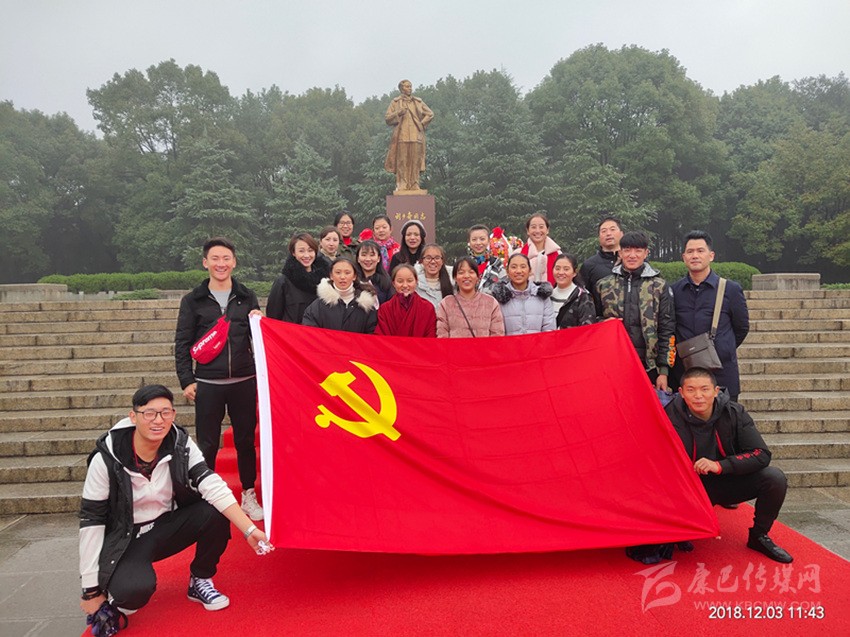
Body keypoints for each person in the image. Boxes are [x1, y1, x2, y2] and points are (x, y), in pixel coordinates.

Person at [79, 385, 273, 619]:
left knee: (216, 511)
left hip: (168, 525)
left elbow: (211, 483)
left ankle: (200, 578)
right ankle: (118, 588)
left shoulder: (180, 442)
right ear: (133, 416)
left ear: (173, 414)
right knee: (132, 592)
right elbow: (92, 520)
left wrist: (249, 529)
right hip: (127, 537)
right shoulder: (106, 459)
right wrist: (90, 591)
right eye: (149, 413)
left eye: (165, 412)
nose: (158, 420)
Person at [174, 237, 264, 521]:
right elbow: (182, 342)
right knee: (208, 443)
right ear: (205, 263)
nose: (221, 264)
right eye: (215, 258)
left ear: (234, 262)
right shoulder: (193, 300)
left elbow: (257, 339)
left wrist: (259, 320)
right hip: (208, 383)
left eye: (226, 258)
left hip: (243, 380)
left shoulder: (246, 296)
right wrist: (187, 379)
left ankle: (248, 493)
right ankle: (208, 495)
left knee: (245, 442)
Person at [665, 368, 793, 563]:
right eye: (691, 390)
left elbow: (761, 454)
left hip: (727, 480)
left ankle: (759, 536)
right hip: (687, 487)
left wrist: (720, 466)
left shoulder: (734, 413)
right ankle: (681, 527)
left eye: (704, 389)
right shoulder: (667, 416)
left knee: (774, 478)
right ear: (681, 393)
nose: (698, 396)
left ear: (716, 391)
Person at [671, 230, 750, 401]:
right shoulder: (674, 291)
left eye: (700, 251)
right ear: (684, 257)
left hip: (721, 373)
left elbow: (741, 328)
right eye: (690, 251)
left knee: (724, 416)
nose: (695, 256)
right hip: (684, 373)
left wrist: (722, 347)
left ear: (711, 255)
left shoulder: (730, 289)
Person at [596, 231, 676, 392]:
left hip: (649, 366)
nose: (632, 255)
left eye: (638, 250)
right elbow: (592, 322)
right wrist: (603, 323)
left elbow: (667, 329)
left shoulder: (659, 286)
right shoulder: (604, 285)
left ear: (646, 253)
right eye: (627, 250)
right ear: (620, 253)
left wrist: (663, 371)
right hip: (612, 363)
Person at [302, 257, 378, 333]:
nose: (342, 277)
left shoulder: (367, 306)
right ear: (331, 276)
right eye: (338, 272)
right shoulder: (318, 306)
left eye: (347, 273)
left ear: (354, 276)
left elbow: (372, 334)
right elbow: (309, 332)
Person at [266, 233, 330, 323]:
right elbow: (273, 317)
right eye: (301, 251)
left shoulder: (325, 280)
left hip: (316, 331)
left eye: (310, 250)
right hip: (291, 331)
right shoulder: (283, 282)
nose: (306, 255)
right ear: (293, 253)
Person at [384, 79, 434, 192]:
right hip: (402, 135)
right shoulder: (395, 102)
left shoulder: (418, 102)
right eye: (407, 86)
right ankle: (402, 184)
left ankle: (415, 184)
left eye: (410, 86)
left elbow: (430, 114)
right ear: (401, 89)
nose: (410, 88)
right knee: (402, 161)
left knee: (415, 161)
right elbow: (387, 118)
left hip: (416, 136)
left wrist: (422, 124)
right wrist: (398, 113)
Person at [437, 257, 506, 338]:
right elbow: (442, 336)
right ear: (455, 277)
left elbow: (497, 336)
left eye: (471, 272)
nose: (466, 276)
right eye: (461, 272)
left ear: (478, 277)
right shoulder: (446, 304)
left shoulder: (491, 303)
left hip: (485, 347)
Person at [491, 253, 556, 335]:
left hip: (538, 343)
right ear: (507, 271)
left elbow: (549, 328)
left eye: (523, 267)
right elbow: (496, 332)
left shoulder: (542, 295)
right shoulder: (499, 297)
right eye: (514, 267)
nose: (518, 271)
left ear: (530, 270)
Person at [375, 264, 437, 337]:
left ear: (416, 282)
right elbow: (381, 339)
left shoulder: (427, 308)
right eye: (400, 281)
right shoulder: (385, 309)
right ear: (394, 283)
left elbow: (430, 338)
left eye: (409, 281)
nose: (405, 285)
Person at [580, 216, 624, 314]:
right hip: (600, 320)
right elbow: (583, 298)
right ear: (599, 237)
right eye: (604, 231)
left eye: (612, 229)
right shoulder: (589, 265)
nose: (608, 234)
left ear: (621, 234)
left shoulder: (632, 262)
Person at [551, 253, 596, 329]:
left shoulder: (583, 297)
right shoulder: (546, 296)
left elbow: (587, 329)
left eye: (566, 269)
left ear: (574, 272)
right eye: (557, 268)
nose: (561, 272)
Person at [516, 213, 561, 285]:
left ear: (547, 230)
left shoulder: (558, 254)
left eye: (541, 227)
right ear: (528, 231)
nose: (537, 231)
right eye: (533, 227)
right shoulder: (518, 254)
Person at [355, 239, 394, 305]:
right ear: (358, 258)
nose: (368, 259)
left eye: (372, 255)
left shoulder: (386, 282)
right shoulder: (352, 281)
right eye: (364, 255)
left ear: (378, 258)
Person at [415, 243, 454, 309]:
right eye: (428, 258)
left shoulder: (453, 283)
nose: (433, 261)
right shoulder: (415, 285)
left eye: (437, 258)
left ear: (442, 261)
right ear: (422, 261)